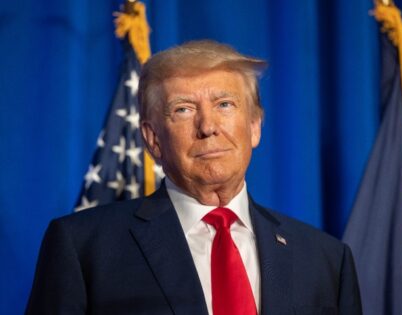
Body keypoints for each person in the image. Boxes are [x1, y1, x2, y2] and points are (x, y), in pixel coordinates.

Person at [26, 40, 362, 315]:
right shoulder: (83, 247)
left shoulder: (326, 259)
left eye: (225, 105)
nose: (207, 127)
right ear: (153, 138)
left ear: (255, 126)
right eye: (183, 109)